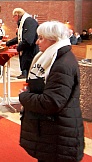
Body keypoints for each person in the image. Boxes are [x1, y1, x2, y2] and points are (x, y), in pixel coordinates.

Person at [19, 21, 84, 162]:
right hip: (52, 133)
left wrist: (24, 96)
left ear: (53, 39)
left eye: (41, 38)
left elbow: (52, 102)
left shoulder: (62, 63)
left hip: (59, 135)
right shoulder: (54, 58)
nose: (37, 42)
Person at [6, 8, 39, 79]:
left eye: (13, 16)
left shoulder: (29, 22)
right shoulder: (24, 22)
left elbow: (28, 40)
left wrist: (18, 48)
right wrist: (8, 43)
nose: (13, 19)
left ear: (17, 15)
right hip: (28, 53)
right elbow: (19, 38)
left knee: (31, 76)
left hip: (31, 53)